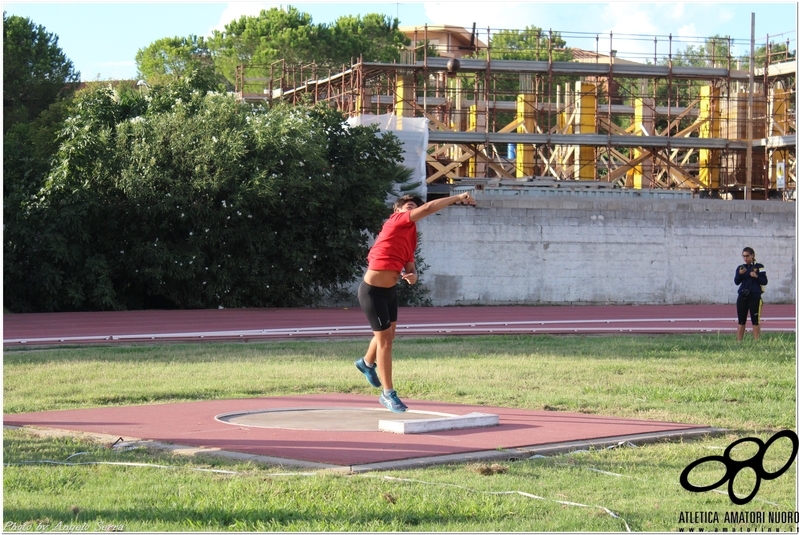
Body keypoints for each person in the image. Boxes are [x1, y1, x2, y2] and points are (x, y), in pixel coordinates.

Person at [355, 191, 476, 412]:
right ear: (398, 211)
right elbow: (428, 208)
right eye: (407, 205)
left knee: (388, 336)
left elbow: (410, 267)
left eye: (414, 206)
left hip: (390, 292)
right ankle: (388, 394)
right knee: (385, 342)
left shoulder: (411, 234)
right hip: (372, 292)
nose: (411, 208)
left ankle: (366, 363)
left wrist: (413, 276)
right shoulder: (395, 221)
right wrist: (457, 197)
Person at [734, 246, 768, 342]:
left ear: (752, 255)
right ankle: (739, 341)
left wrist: (756, 276)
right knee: (741, 320)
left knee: (755, 320)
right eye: (743, 256)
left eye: (747, 256)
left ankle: (756, 341)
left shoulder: (759, 267)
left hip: (754, 296)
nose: (745, 258)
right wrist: (740, 274)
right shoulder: (741, 267)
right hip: (742, 296)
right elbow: (736, 282)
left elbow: (765, 281)